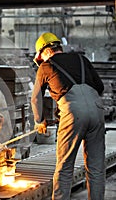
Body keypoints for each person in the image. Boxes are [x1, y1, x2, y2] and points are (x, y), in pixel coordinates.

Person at [31, 32, 106, 200]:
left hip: (73, 113)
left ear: (46, 52)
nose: (42, 61)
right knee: (96, 168)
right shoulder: (82, 59)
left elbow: (36, 98)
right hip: (97, 110)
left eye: (41, 57)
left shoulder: (45, 66)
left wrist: (39, 121)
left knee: (64, 167)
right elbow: (99, 87)